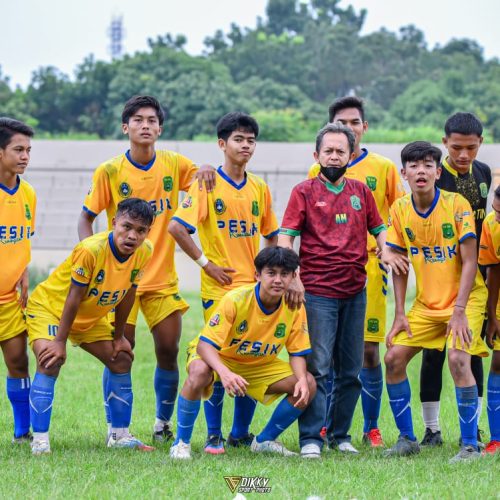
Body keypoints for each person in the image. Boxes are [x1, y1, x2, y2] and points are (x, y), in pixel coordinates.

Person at [77, 95, 215, 442]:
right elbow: (86, 217)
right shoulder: (109, 170)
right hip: (121, 281)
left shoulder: (174, 163)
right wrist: (91, 254)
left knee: (168, 351)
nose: (145, 125)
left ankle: (162, 424)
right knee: (119, 351)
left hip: (161, 280)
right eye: (138, 120)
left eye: (152, 120)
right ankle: (116, 429)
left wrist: (209, 167)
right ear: (126, 127)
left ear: (160, 128)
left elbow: (203, 178)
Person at [279, 123, 408, 459]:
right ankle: (311, 438)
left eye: (340, 151)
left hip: (355, 291)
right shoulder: (303, 191)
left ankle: (340, 435)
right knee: (318, 367)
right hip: (318, 293)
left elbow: (380, 229)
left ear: (351, 155)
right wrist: (292, 276)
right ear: (316, 155)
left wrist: (388, 250)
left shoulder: (361, 192)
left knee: (351, 370)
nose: (334, 156)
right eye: (328, 151)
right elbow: (286, 237)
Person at [169, 112, 279, 454]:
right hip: (219, 290)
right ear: (222, 144)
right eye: (238, 140)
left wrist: (266, 274)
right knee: (219, 357)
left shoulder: (259, 186)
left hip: (254, 290)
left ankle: (240, 433)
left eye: (250, 140)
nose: (245, 146)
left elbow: (271, 236)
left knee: (247, 358)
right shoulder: (206, 182)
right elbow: (176, 227)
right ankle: (213, 434)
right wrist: (207, 264)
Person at [308, 96, 405, 447]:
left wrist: (387, 250)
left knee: (366, 352)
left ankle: (370, 426)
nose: (349, 128)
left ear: (364, 128)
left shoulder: (383, 169)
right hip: (323, 278)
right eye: (341, 123)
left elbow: (395, 216)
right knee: (326, 354)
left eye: (354, 122)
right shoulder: (316, 174)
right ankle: (325, 426)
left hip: (368, 273)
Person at [383, 141, 488, 462]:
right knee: (393, 359)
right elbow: (398, 266)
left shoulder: (457, 205)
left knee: (458, 359)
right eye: (414, 166)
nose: (421, 171)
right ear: (404, 173)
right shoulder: (400, 209)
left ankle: (470, 445)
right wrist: (400, 313)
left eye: (428, 165)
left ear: (437, 172)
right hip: (427, 305)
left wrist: (458, 311)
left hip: (466, 299)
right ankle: (407, 439)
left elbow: (470, 261)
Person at [27, 198, 154, 455]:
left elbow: (129, 292)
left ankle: (118, 436)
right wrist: (60, 342)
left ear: (148, 232)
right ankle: (39, 440)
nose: (132, 235)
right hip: (51, 309)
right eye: (127, 227)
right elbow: (73, 297)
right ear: (114, 222)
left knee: (121, 359)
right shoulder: (91, 249)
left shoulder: (145, 251)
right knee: (49, 360)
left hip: (90, 317)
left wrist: (119, 337)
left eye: (140, 230)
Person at [169, 246, 315, 459]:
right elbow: (205, 345)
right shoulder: (235, 299)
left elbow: (297, 351)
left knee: (308, 384)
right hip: (220, 358)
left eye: (284, 274)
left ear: (294, 277)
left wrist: (301, 378)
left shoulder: (294, 306)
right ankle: (181, 443)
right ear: (257, 275)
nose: (277, 280)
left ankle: (264, 440)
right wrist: (224, 373)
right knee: (199, 371)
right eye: (271, 273)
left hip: (257, 365)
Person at [419, 112, 491, 447]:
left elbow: (480, 231)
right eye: (457, 147)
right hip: (436, 277)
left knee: (470, 350)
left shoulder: (483, 173)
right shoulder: (436, 176)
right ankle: (432, 430)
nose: (464, 155)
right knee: (433, 353)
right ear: (445, 142)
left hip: (472, 277)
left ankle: (471, 429)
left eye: (471, 148)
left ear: (480, 144)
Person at [0, 117, 36, 444]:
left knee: (18, 362)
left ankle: (22, 431)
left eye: (28, 150)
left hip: (10, 300)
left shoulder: (28, 194)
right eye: (18, 149)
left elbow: (21, 239)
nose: (25, 156)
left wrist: (23, 272)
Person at [478, 185, 500, 455]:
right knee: (497, 362)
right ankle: (496, 438)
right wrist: (491, 314)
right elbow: (493, 270)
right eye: (496, 210)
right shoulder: (491, 224)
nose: (498, 217)